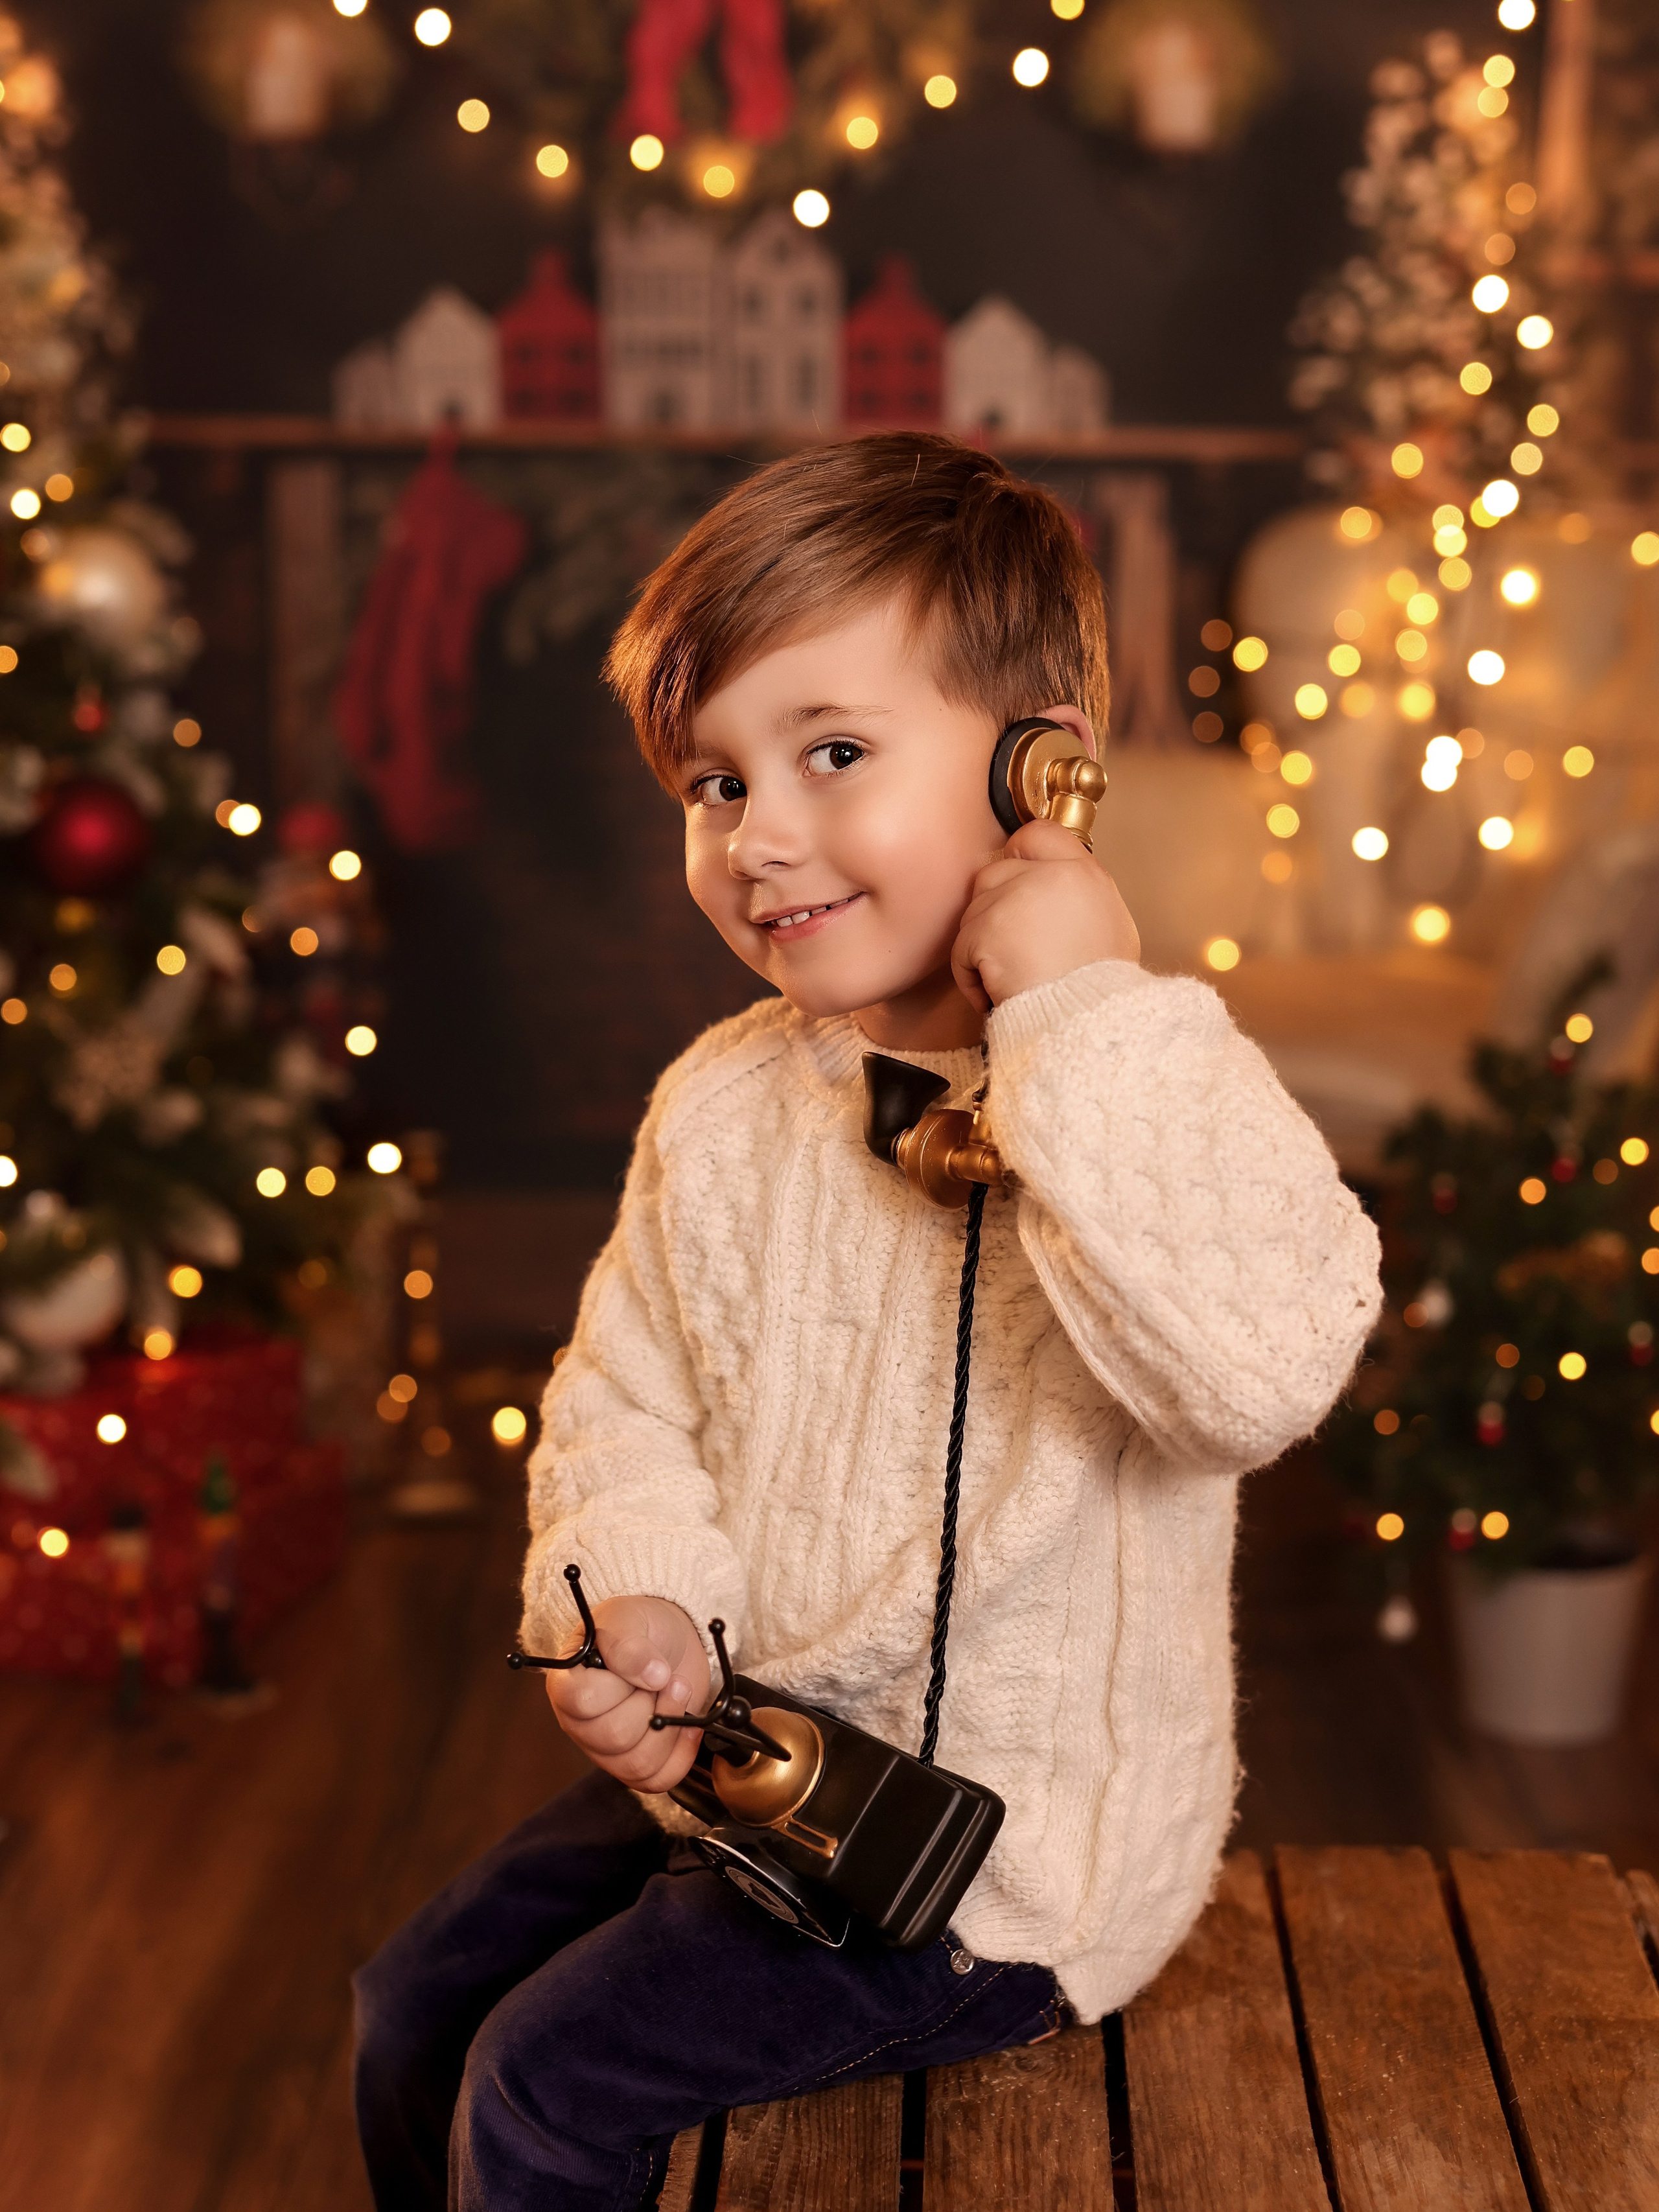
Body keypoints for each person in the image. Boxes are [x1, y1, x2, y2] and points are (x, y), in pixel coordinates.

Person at [353, 434, 1382, 2211]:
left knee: (544, 2088)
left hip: (1009, 1865)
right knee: (413, 2003)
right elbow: (626, 1405)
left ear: (1040, 764)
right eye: (711, 782)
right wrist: (641, 1607)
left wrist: (1069, 1010)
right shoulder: (724, 1104)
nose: (760, 838)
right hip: (763, 1772)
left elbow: (1261, 1371)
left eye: (832, 753)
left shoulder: (1142, 1074)